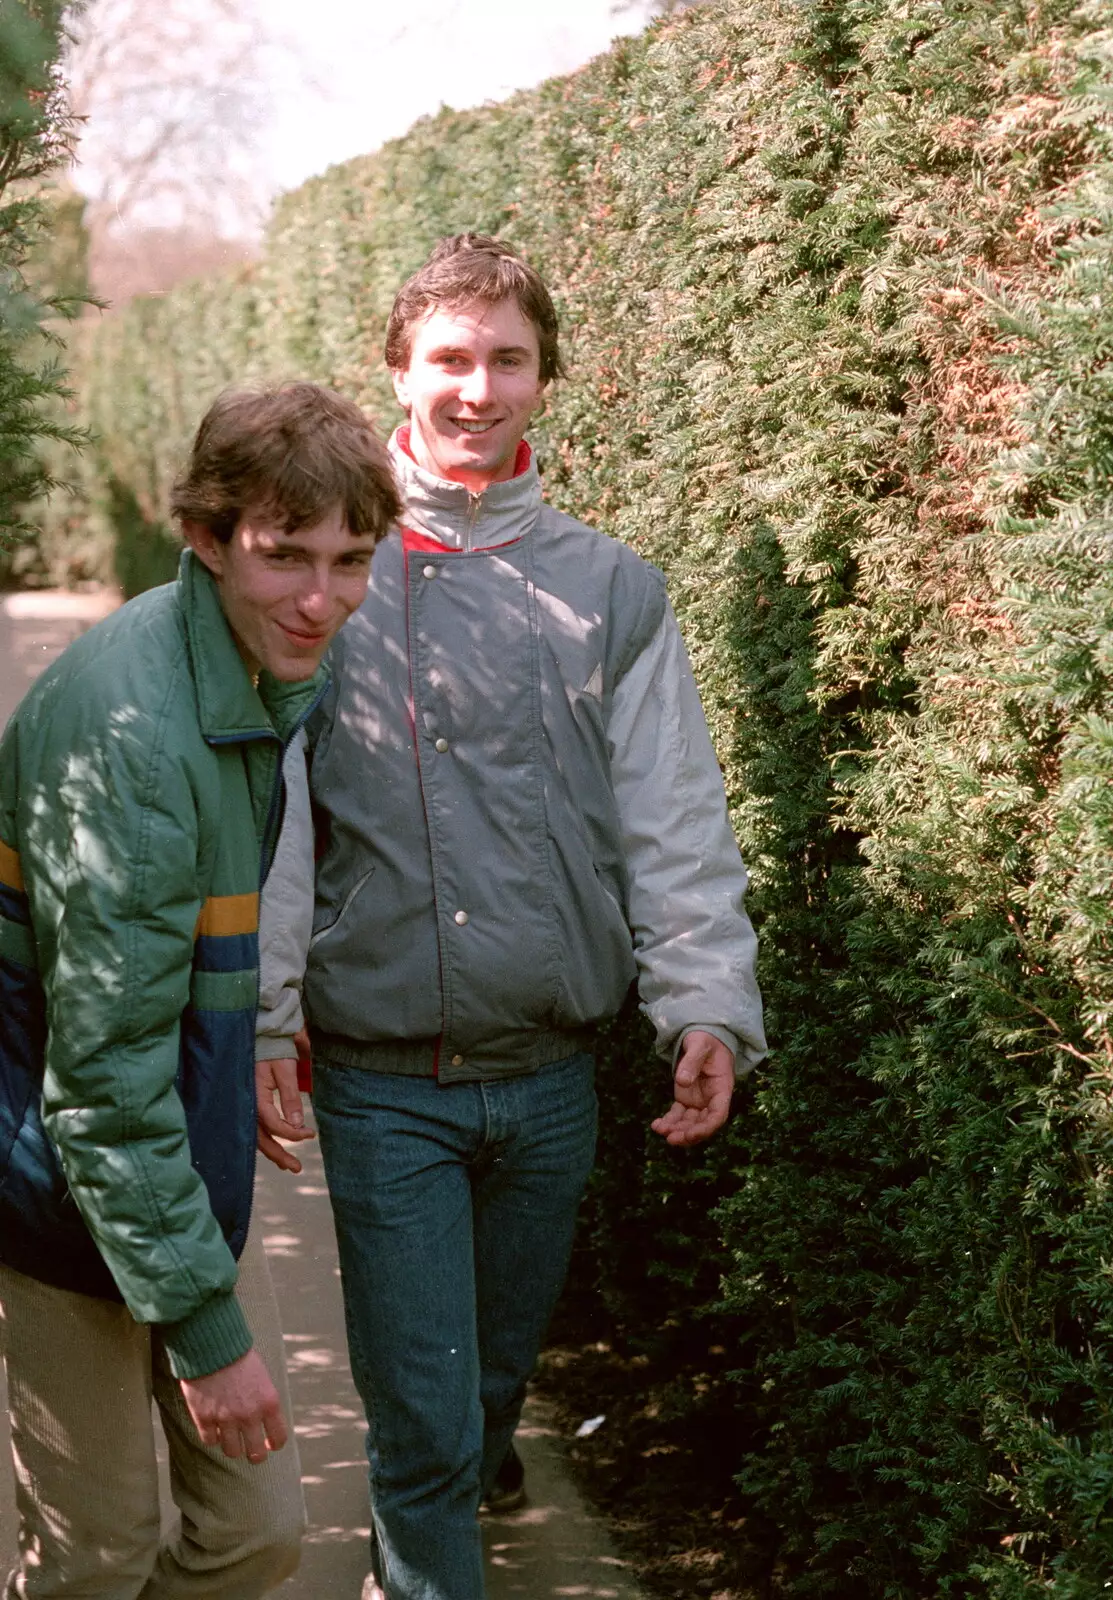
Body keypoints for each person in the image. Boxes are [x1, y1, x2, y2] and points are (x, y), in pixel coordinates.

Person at [255, 236, 767, 1600]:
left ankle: (469, 1454)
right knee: (424, 1427)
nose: (476, 389)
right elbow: (281, 824)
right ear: (397, 371)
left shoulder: (612, 590)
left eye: (506, 359)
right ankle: (419, 1553)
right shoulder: (322, 582)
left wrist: (708, 1000)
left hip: (549, 1083)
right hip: (382, 1086)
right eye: (449, 358)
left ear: (546, 379)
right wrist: (263, 1019)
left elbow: (672, 815)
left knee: (483, 1383)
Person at [0, 381, 401, 1598]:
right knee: (97, 1551)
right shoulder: (134, 736)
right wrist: (208, 1332)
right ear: (208, 537)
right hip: (55, 1188)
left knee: (256, 1529)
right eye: (285, 557)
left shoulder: (253, 669)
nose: (322, 598)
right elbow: (106, 1090)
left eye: (351, 558)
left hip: (174, 1164)